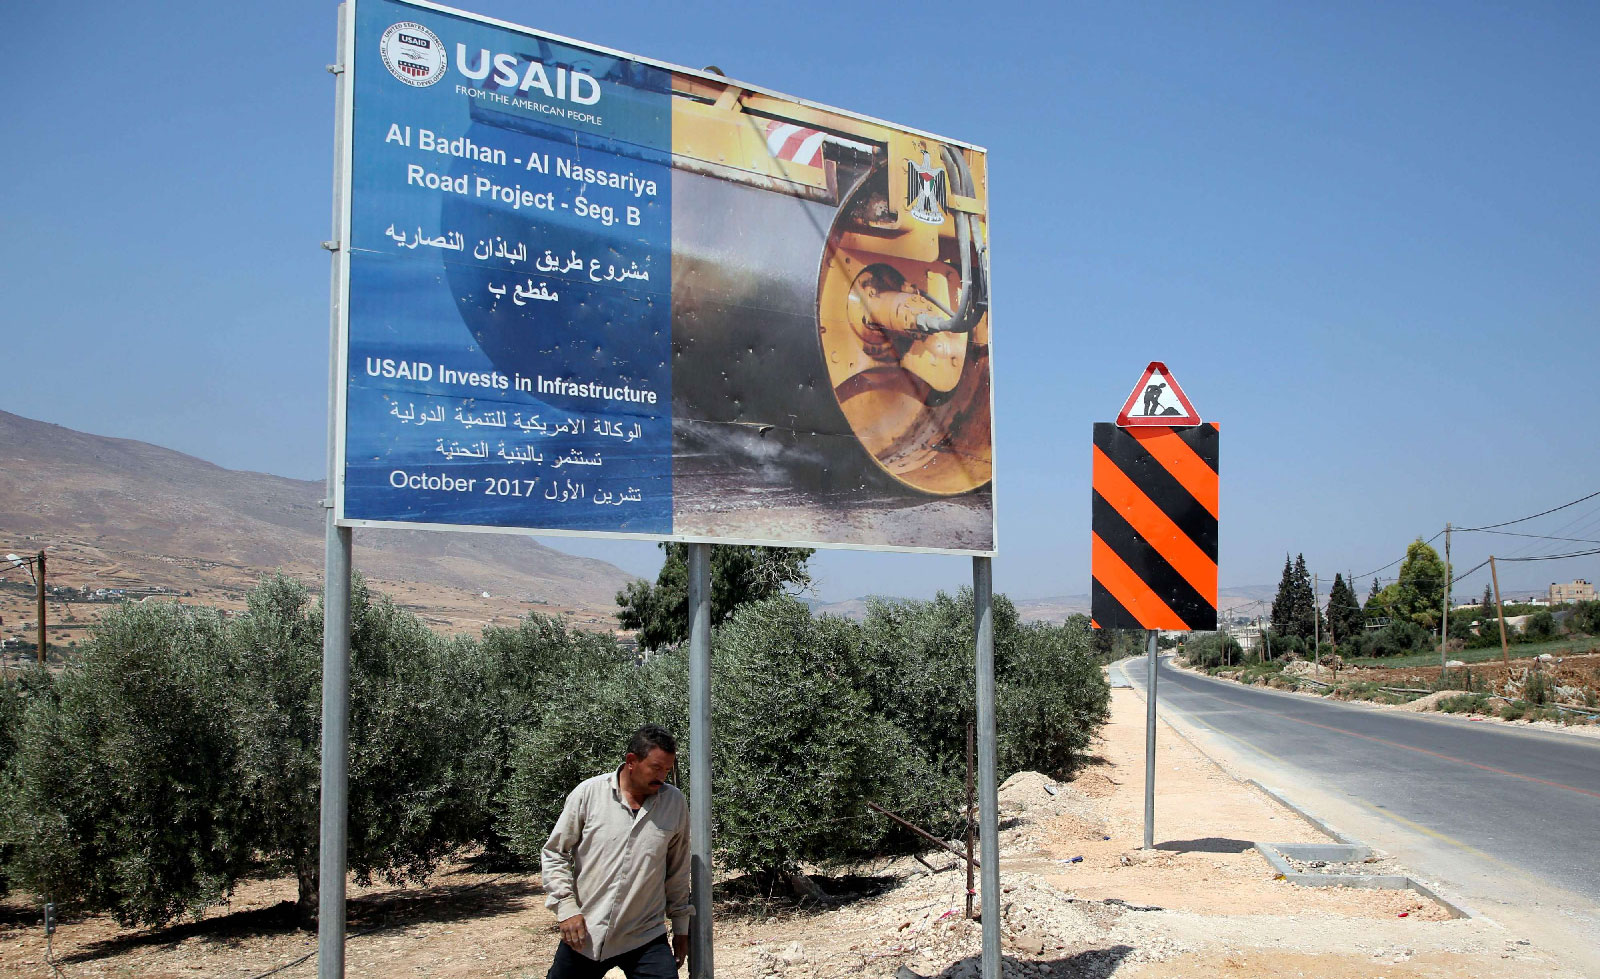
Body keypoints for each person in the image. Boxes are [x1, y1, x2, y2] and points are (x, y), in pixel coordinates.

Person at [541, 724, 692, 979]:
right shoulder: (588, 794)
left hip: (645, 935)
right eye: (656, 768)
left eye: (667, 769)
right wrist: (566, 908)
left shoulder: (674, 803)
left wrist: (681, 928)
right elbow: (555, 853)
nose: (662, 777)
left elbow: (678, 870)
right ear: (631, 761)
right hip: (586, 934)